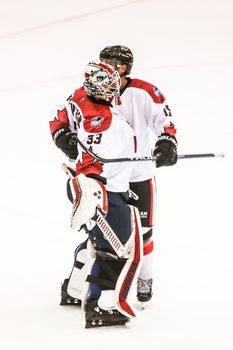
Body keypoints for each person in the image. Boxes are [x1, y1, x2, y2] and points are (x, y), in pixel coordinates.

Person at [50, 45, 178, 308]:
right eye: (105, 61)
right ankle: (78, 288)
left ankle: (144, 278)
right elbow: (59, 117)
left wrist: (167, 142)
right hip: (100, 179)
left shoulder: (145, 92)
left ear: (126, 67)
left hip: (137, 175)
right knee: (100, 238)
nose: (109, 66)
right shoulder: (87, 92)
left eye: (115, 63)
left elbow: (166, 122)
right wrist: (62, 136)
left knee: (142, 234)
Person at [50, 61, 143, 328]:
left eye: (112, 82)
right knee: (117, 249)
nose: (113, 88)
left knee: (96, 239)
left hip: (84, 184)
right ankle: (101, 307)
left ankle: (74, 289)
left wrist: (61, 135)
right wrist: (93, 194)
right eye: (106, 86)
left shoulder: (79, 95)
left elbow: (55, 113)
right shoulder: (105, 122)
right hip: (101, 191)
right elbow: (93, 164)